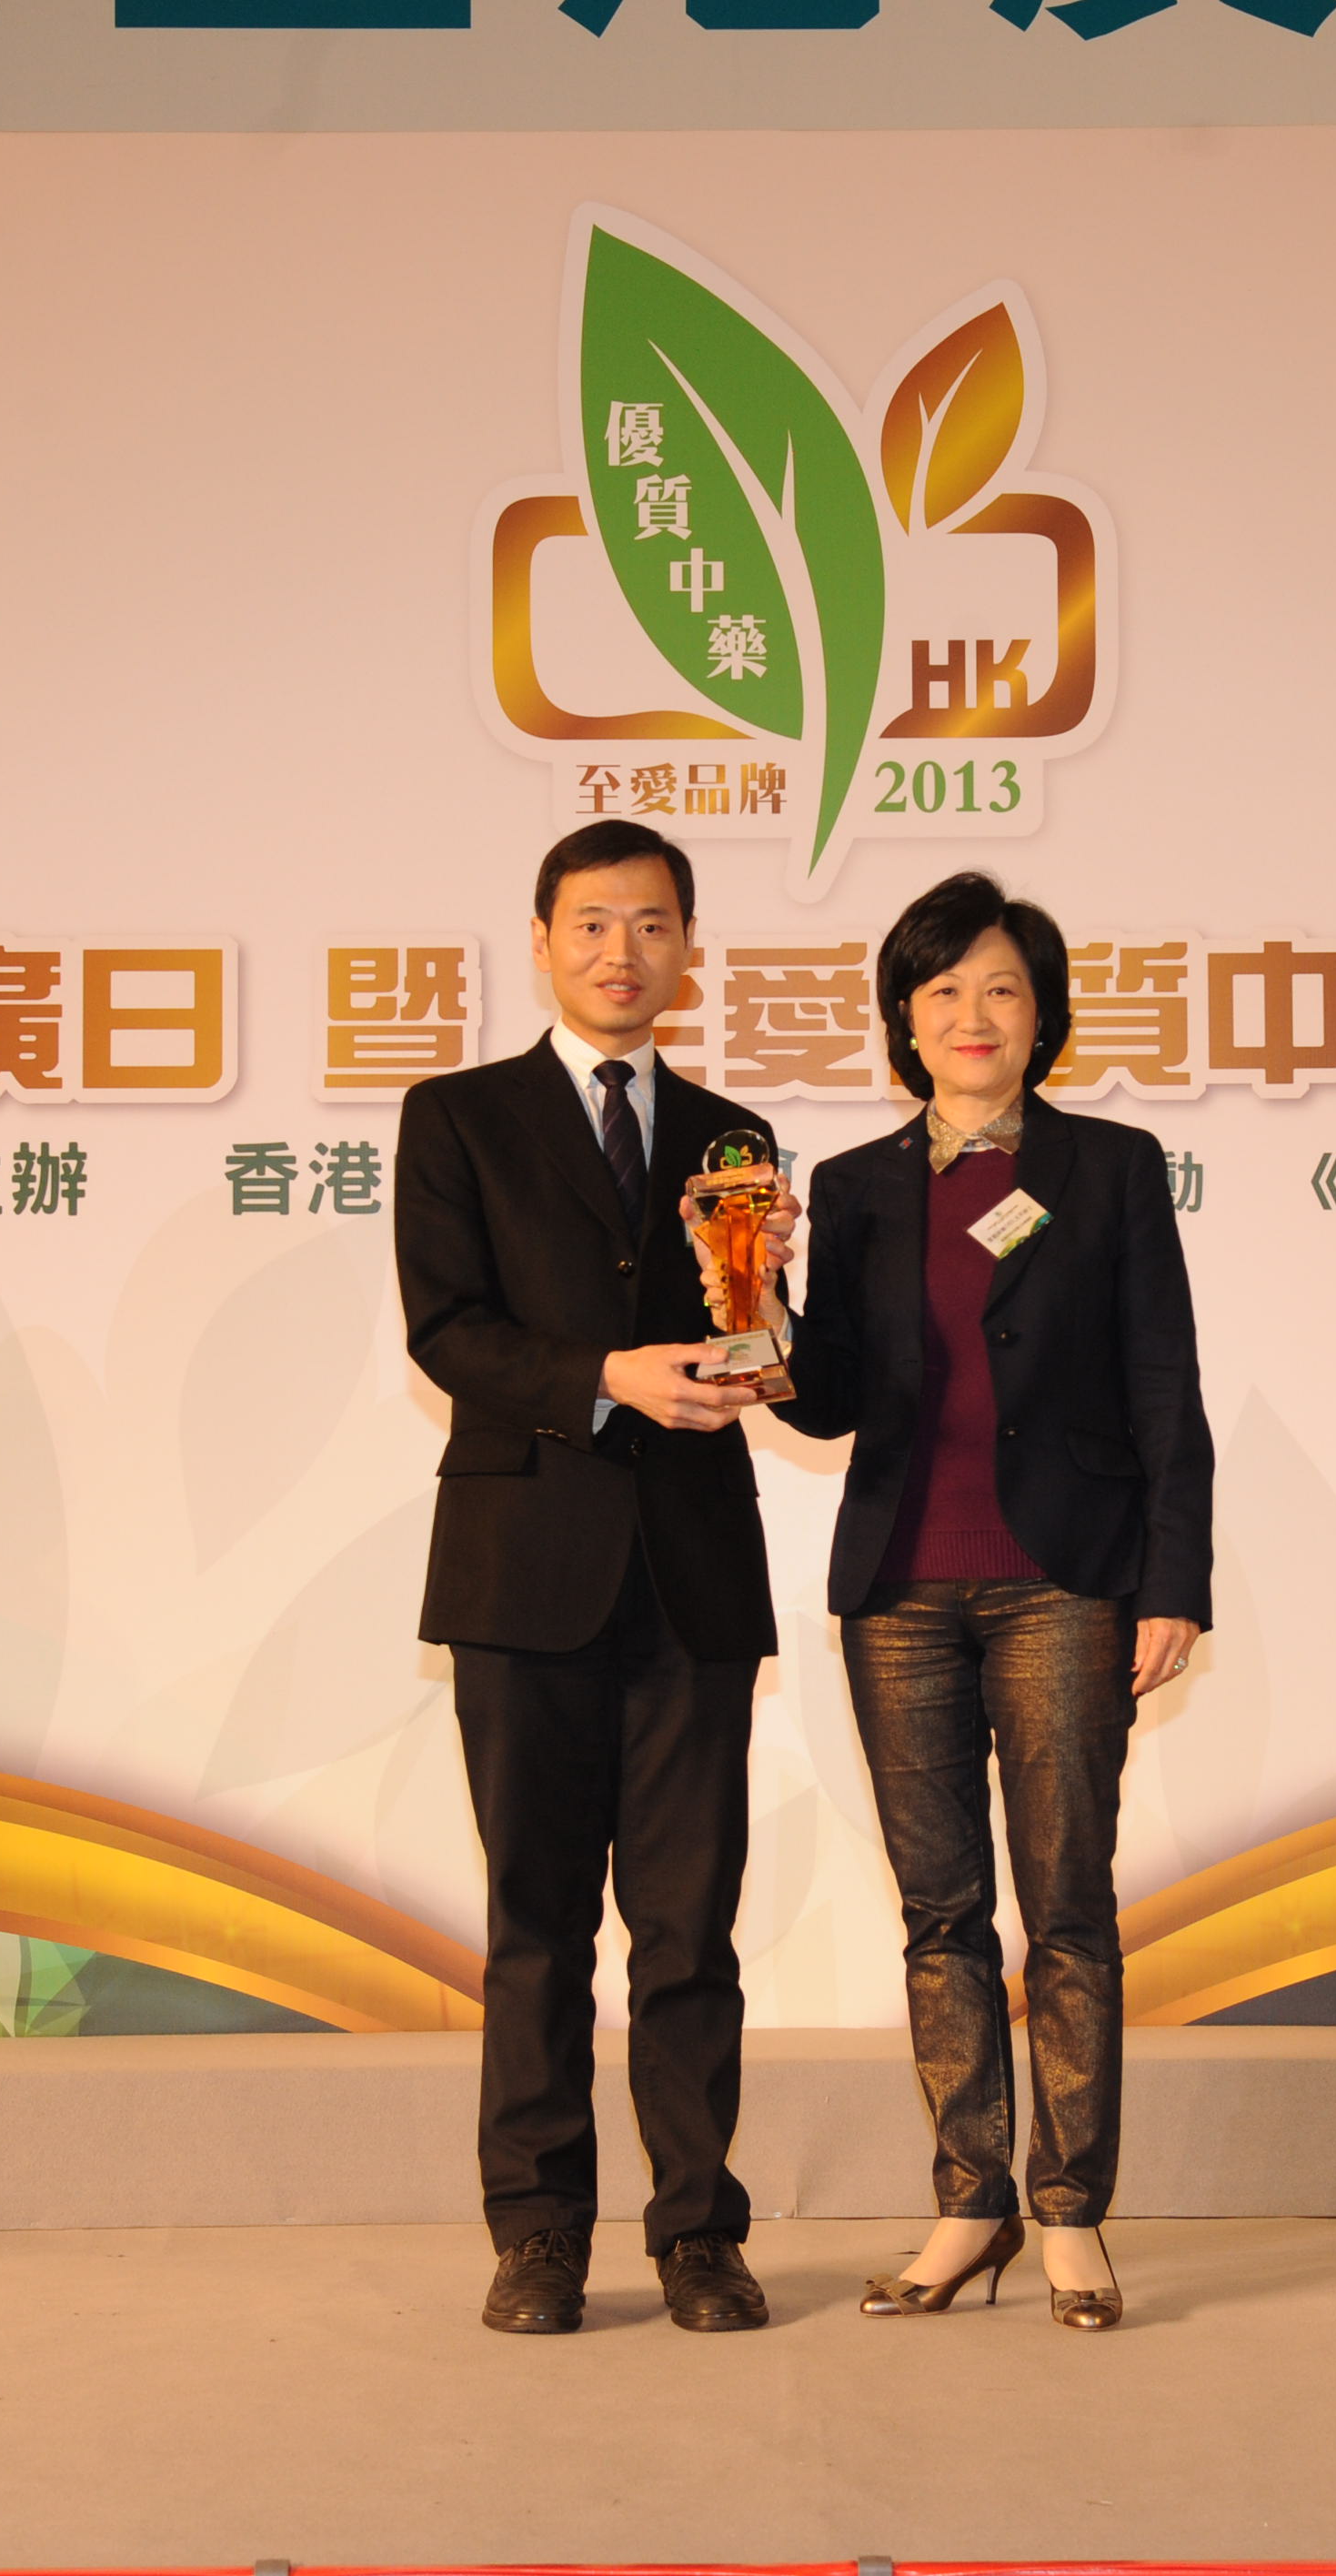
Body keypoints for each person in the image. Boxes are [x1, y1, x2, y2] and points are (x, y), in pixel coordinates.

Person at [770, 870, 1211, 2333]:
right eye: (945, 989)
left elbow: (1165, 1382)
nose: (974, 1014)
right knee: (940, 1913)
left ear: (1043, 1016)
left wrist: (1173, 1578)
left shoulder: (1112, 1169)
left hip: (1064, 1581)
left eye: (1003, 988)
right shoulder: (855, 1187)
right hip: (898, 1587)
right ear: (905, 1019)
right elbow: (829, 1400)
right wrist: (755, 1306)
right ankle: (971, 2203)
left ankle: (1071, 2212)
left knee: (1067, 1906)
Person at [393, 819, 798, 2338]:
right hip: (522, 1570)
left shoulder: (732, 1138)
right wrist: (609, 1377)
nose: (622, 952)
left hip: (692, 1577)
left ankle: (699, 2233)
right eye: (592, 924)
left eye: (652, 925)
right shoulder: (459, 1117)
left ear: (690, 948)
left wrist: (768, 1333)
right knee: (539, 1925)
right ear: (543, 942)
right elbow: (447, 1330)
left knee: (691, 1931)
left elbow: (757, 1347)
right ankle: (540, 2233)